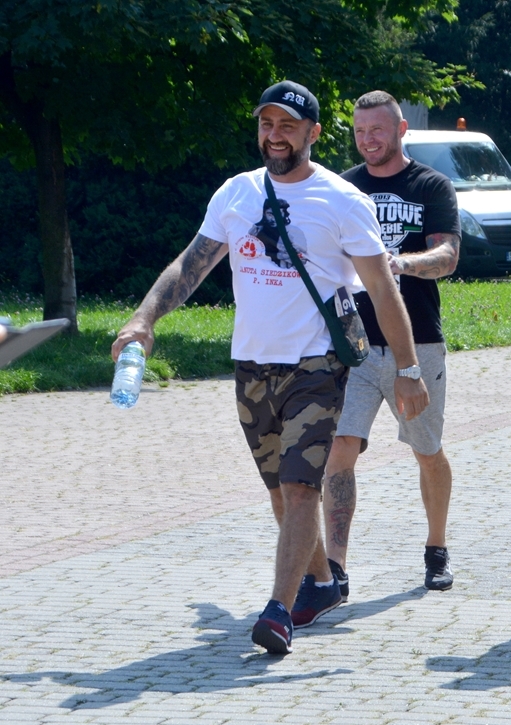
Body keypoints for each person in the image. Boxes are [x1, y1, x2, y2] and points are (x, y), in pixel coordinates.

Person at [111, 80, 429, 656]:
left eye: (288, 125)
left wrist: (408, 367)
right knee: (281, 492)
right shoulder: (235, 193)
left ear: (313, 133)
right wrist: (144, 318)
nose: (275, 135)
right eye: (267, 124)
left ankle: (279, 611)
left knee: (302, 486)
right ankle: (323, 583)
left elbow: (383, 289)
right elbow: (192, 265)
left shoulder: (341, 200)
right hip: (252, 365)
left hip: (318, 363)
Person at [322, 91, 461, 599]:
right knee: (340, 448)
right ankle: (335, 566)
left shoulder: (431, 185)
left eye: (377, 130)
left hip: (417, 343)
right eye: (359, 131)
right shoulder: (342, 188)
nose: (367, 140)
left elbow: (448, 255)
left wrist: (400, 264)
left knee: (427, 451)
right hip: (353, 345)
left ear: (401, 130)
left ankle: (436, 548)